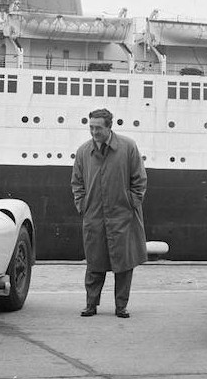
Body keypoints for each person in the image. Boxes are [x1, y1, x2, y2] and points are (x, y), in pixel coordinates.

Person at [71, 108, 147, 318]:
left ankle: (120, 307)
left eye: (98, 128)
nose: (94, 132)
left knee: (124, 264)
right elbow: (77, 182)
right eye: (91, 127)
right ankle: (91, 305)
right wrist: (82, 204)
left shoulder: (128, 147)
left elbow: (139, 179)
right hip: (94, 215)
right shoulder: (83, 152)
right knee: (94, 262)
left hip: (123, 215)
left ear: (109, 127)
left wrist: (132, 202)